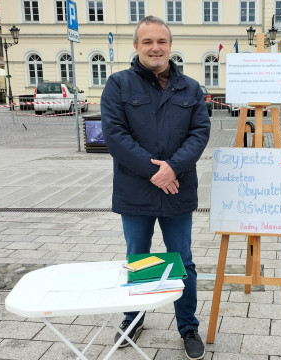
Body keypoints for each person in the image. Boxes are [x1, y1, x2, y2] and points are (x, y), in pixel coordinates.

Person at [100, 15, 210, 360]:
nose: (155, 48)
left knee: (183, 261)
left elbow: (200, 133)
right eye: (147, 41)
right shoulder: (118, 84)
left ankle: (188, 326)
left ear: (170, 46)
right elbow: (115, 136)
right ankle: (134, 319)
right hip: (136, 191)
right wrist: (155, 172)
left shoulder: (191, 88)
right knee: (140, 257)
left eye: (161, 41)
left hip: (178, 188)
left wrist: (173, 168)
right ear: (136, 47)